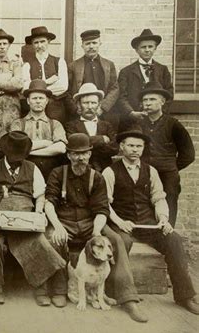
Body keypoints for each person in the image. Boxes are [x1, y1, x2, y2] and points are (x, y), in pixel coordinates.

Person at [44, 133, 148, 322]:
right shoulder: (58, 173)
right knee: (52, 239)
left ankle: (127, 297)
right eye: (75, 154)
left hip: (90, 222)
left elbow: (102, 209)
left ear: (90, 154)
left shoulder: (97, 177)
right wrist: (57, 226)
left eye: (84, 154)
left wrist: (97, 231)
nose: (80, 158)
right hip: (64, 222)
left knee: (116, 240)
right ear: (68, 155)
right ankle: (59, 290)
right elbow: (49, 202)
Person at [102, 130, 198, 315]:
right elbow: (105, 203)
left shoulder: (151, 171)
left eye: (139, 146)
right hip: (122, 222)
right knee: (123, 242)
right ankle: (119, 294)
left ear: (143, 148)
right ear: (122, 147)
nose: (135, 150)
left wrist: (163, 219)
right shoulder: (110, 171)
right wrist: (120, 222)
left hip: (147, 223)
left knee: (174, 240)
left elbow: (158, 198)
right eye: (130, 145)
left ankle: (185, 296)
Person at [0, 131, 66, 305]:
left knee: (38, 240)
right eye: (14, 155)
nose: (17, 159)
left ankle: (41, 286)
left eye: (21, 155)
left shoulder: (32, 168)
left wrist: (38, 212)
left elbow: (40, 195)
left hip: (26, 217)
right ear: (6, 153)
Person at [138, 82, 195, 227]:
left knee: (169, 204)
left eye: (152, 99)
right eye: (145, 100)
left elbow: (188, 154)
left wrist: (171, 167)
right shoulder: (140, 124)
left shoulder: (173, 124)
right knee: (145, 204)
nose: (148, 103)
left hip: (167, 176)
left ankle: (168, 237)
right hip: (145, 173)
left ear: (162, 102)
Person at [117, 29, 173, 131]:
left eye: (150, 46)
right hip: (132, 121)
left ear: (155, 48)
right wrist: (131, 113)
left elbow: (169, 94)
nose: (147, 50)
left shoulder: (163, 70)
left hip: (158, 121)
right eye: (143, 47)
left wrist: (159, 113)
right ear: (137, 50)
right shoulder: (126, 72)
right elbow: (121, 96)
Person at [10, 79, 67, 180]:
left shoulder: (55, 124)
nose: (38, 101)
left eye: (41, 98)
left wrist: (27, 151)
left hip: (51, 174)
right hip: (24, 173)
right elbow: (16, 148)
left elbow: (61, 148)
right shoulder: (18, 124)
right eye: (34, 98)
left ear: (46, 101)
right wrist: (46, 143)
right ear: (28, 101)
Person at [67, 30, 119, 125]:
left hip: (103, 113)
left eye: (94, 43)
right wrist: (76, 108)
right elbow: (67, 91)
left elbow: (114, 88)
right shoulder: (73, 66)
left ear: (99, 43)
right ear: (82, 46)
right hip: (80, 113)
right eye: (87, 44)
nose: (91, 46)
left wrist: (103, 107)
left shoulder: (109, 65)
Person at [65, 83, 118, 171]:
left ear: (99, 104)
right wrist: (101, 139)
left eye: (93, 103)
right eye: (85, 103)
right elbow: (74, 145)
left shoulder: (107, 125)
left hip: (104, 169)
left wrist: (85, 145)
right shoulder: (71, 126)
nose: (90, 107)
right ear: (78, 105)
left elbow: (115, 148)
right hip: (80, 170)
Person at [22, 26, 68, 123]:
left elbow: (63, 86)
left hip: (56, 108)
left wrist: (36, 88)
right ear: (32, 45)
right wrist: (48, 82)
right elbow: (25, 88)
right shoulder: (27, 64)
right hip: (34, 109)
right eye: (36, 42)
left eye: (42, 41)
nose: (39, 46)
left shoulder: (59, 62)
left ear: (48, 41)